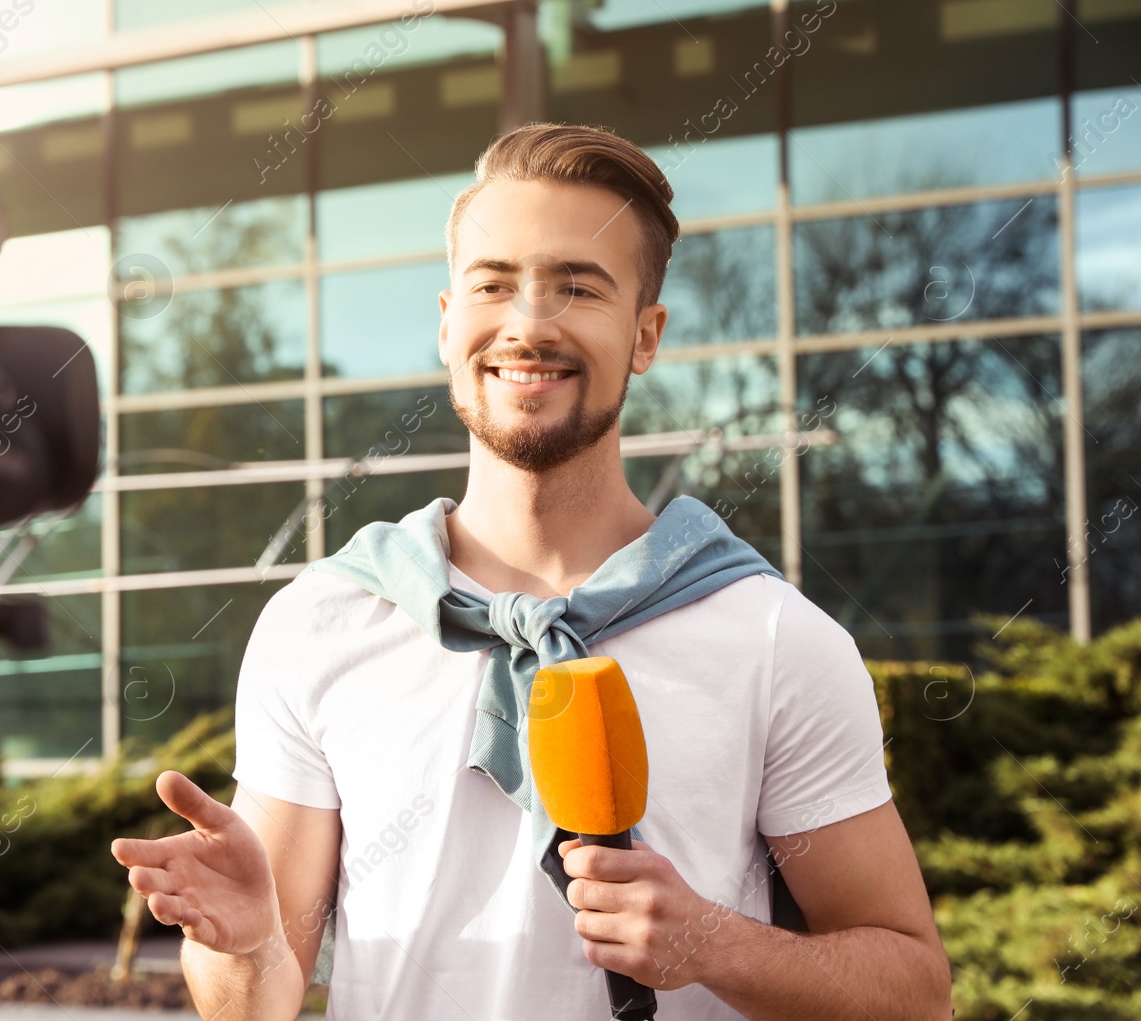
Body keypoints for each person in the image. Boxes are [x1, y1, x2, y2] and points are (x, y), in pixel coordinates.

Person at [111, 123, 952, 1020]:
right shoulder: (318, 622)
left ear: (646, 334)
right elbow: (258, 1004)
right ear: (446, 323)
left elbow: (915, 992)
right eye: (494, 283)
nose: (528, 322)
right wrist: (243, 947)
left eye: (577, 287)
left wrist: (715, 942)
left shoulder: (777, 637)